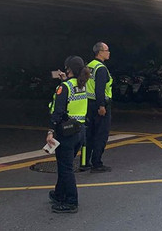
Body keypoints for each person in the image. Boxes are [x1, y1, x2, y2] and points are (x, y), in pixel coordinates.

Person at [46, 56, 89, 213]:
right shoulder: (81, 84)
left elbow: (58, 111)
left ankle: (71, 201)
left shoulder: (65, 87)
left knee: (66, 168)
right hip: (79, 131)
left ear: (68, 69)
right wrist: (64, 81)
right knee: (65, 165)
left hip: (66, 132)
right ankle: (59, 194)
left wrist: (50, 131)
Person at [83, 42, 113, 173]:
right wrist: (101, 106)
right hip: (99, 105)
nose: (109, 52)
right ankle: (97, 163)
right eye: (107, 50)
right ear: (100, 52)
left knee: (89, 135)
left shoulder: (89, 66)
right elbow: (99, 89)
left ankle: (85, 162)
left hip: (88, 104)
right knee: (101, 135)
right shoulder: (101, 68)